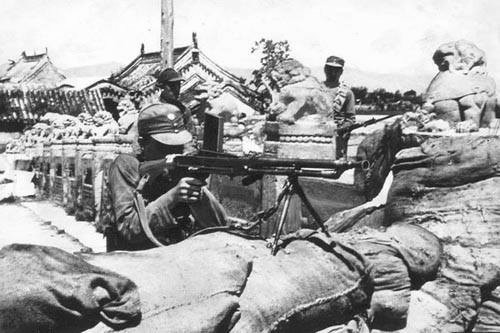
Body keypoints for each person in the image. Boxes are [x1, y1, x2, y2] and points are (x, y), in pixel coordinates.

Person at [105, 68, 227, 251]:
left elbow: (220, 228)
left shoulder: (179, 168)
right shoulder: (126, 167)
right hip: (134, 261)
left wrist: (197, 195)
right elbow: (129, 229)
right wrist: (173, 197)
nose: (172, 151)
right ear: (143, 143)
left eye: (177, 144)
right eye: (163, 145)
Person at [323, 55, 356, 158]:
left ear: (341, 72)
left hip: (336, 137)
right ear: (325, 69)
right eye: (330, 69)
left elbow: (350, 119)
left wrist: (341, 129)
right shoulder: (316, 88)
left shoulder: (346, 93)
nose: (332, 72)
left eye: (336, 70)